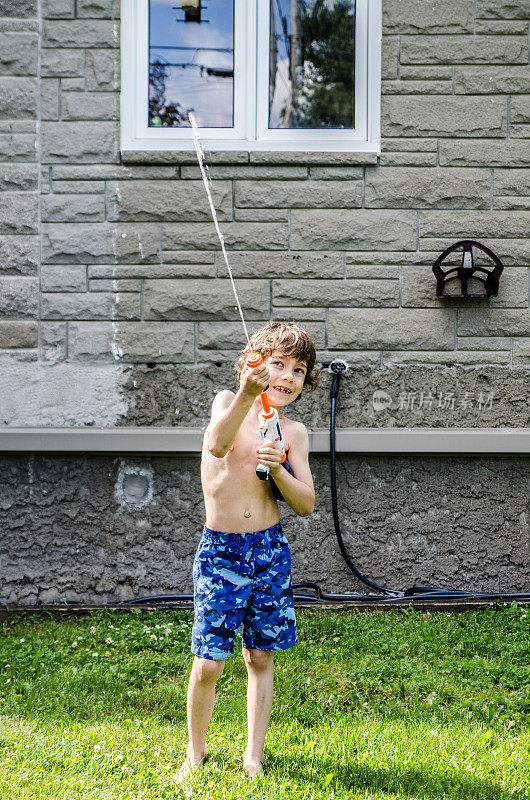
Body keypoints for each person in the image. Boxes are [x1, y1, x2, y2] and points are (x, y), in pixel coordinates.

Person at [175, 322, 319, 786]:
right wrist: (244, 395)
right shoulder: (227, 403)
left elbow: (306, 504)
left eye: (298, 370)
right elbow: (217, 445)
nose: (288, 376)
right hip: (221, 551)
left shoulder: (293, 432)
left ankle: (252, 756)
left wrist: (277, 468)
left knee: (260, 656)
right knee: (209, 662)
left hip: (269, 551)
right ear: (252, 365)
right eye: (278, 363)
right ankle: (195, 756)